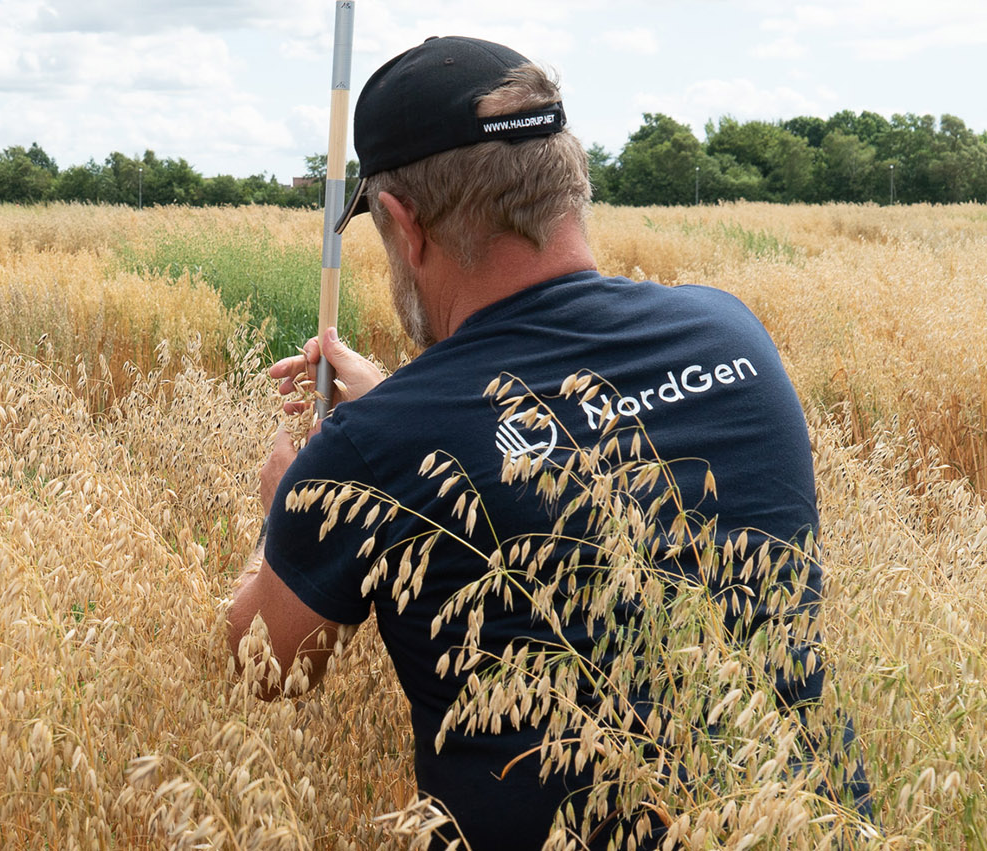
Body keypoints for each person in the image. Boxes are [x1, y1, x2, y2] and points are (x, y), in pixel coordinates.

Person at [225, 37, 866, 848]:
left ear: (402, 224)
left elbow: (267, 670)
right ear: (567, 181)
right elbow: (580, 463)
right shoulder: (733, 332)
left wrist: (293, 500)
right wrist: (396, 415)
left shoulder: (373, 450)